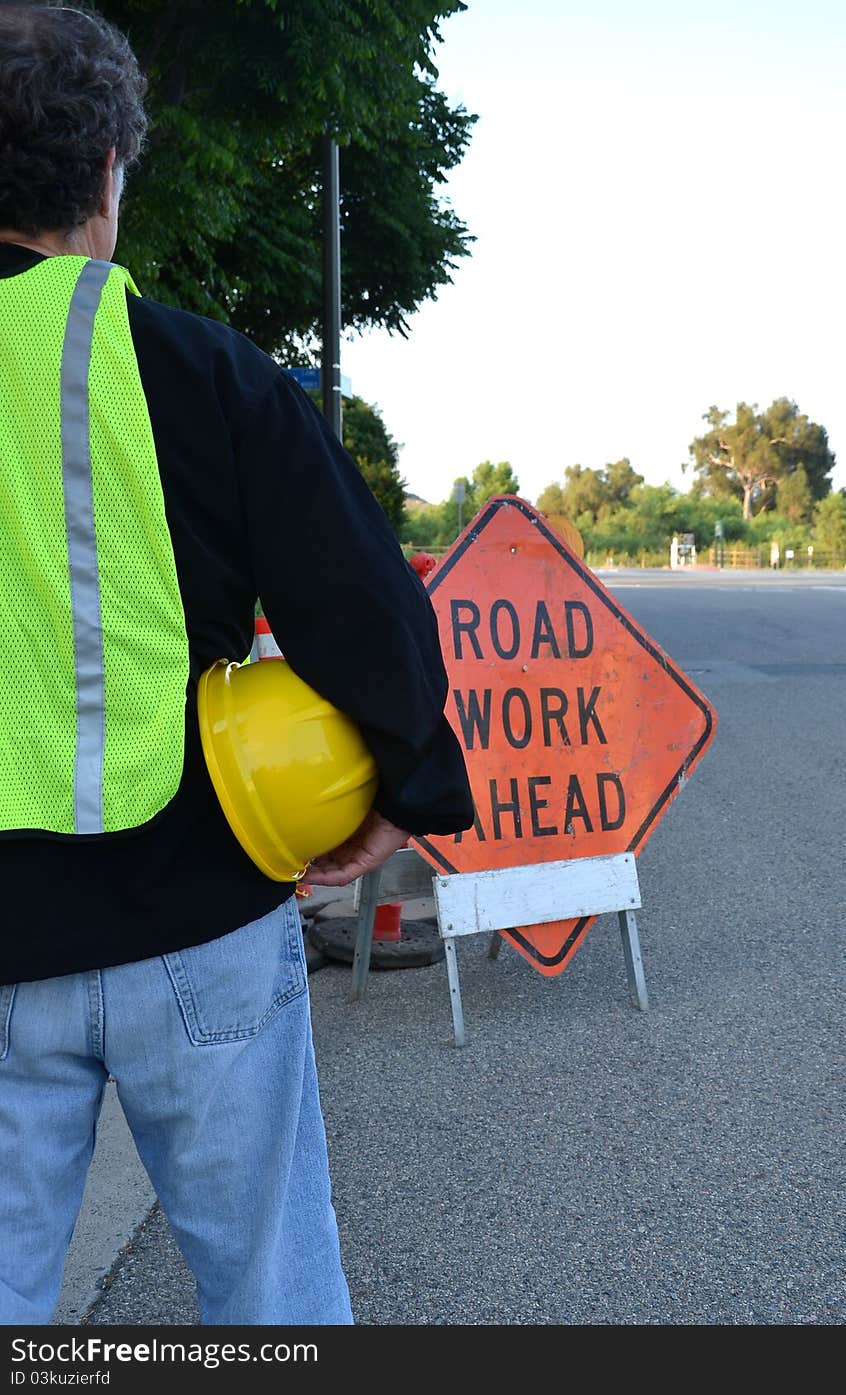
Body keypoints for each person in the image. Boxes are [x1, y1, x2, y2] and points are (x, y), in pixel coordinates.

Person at [0, 2, 473, 1326]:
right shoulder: (199, 371)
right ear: (107, 179)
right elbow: (363, 603)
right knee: (272, 1297)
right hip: (197, 909)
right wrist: (404, 784)